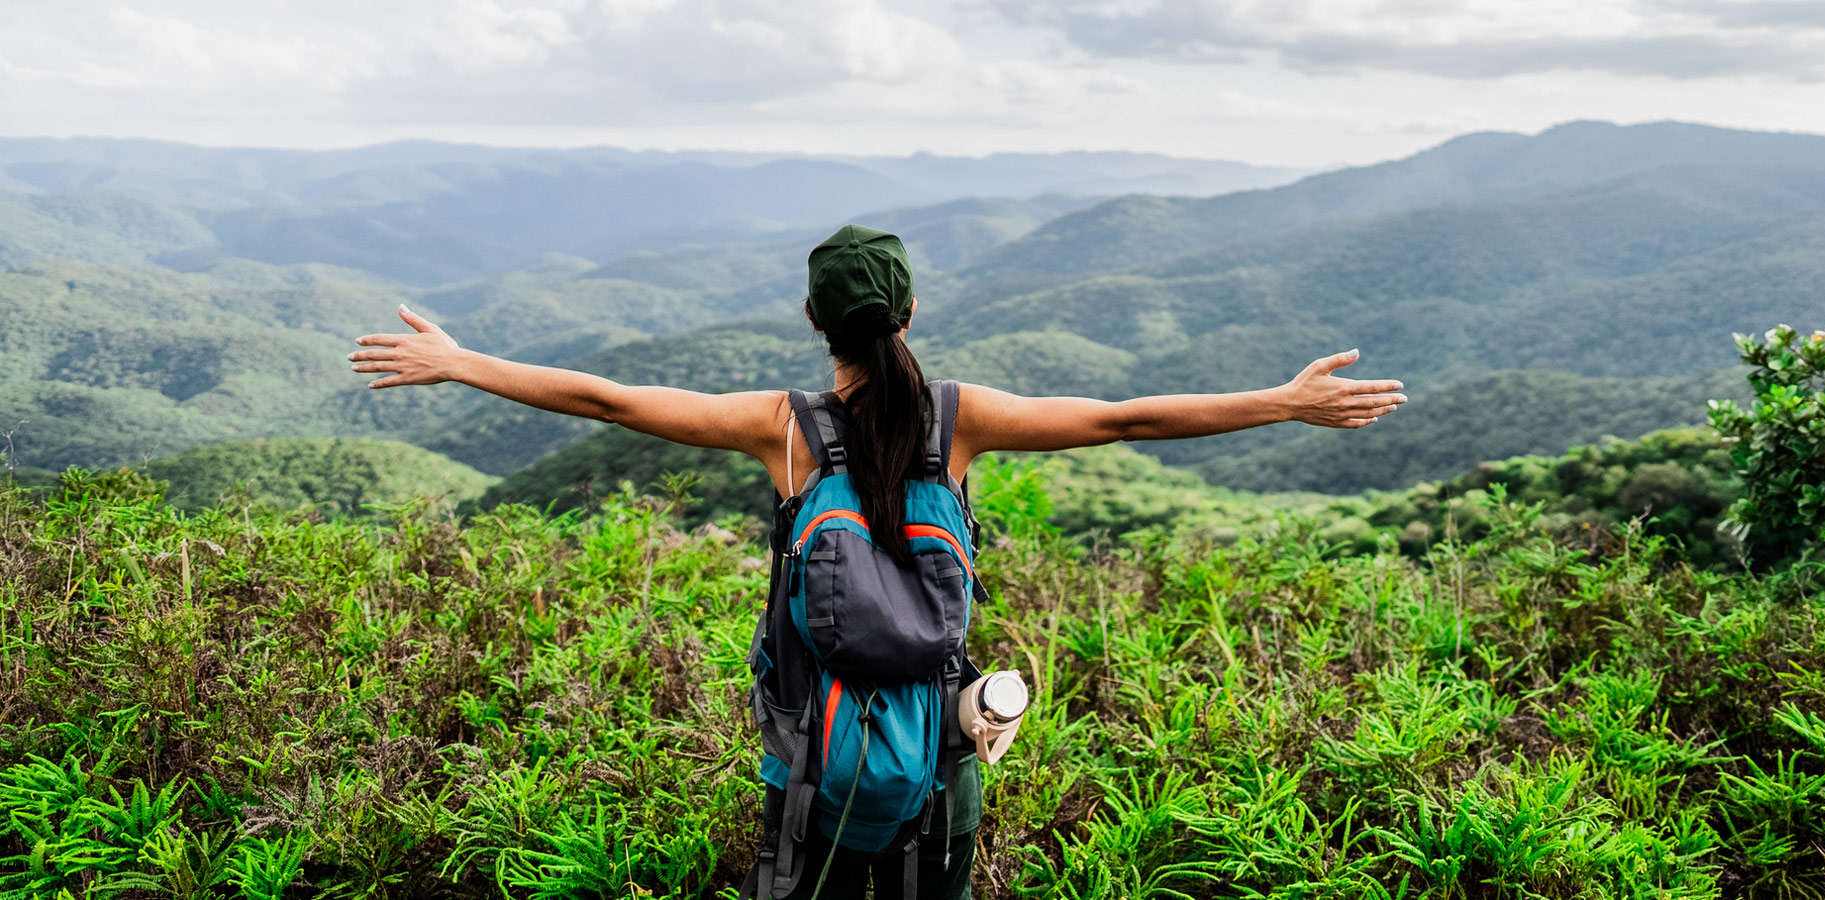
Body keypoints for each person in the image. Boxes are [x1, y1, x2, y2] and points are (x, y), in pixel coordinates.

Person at [347, 224, 1405, 898]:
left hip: (812, 752)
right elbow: (1126, 417)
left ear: (816, 322)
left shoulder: (784, 427)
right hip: (942, 742)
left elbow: (608, 400)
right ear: (909, 316)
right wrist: (1284, 402)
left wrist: (463, 362)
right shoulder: (964, 418)